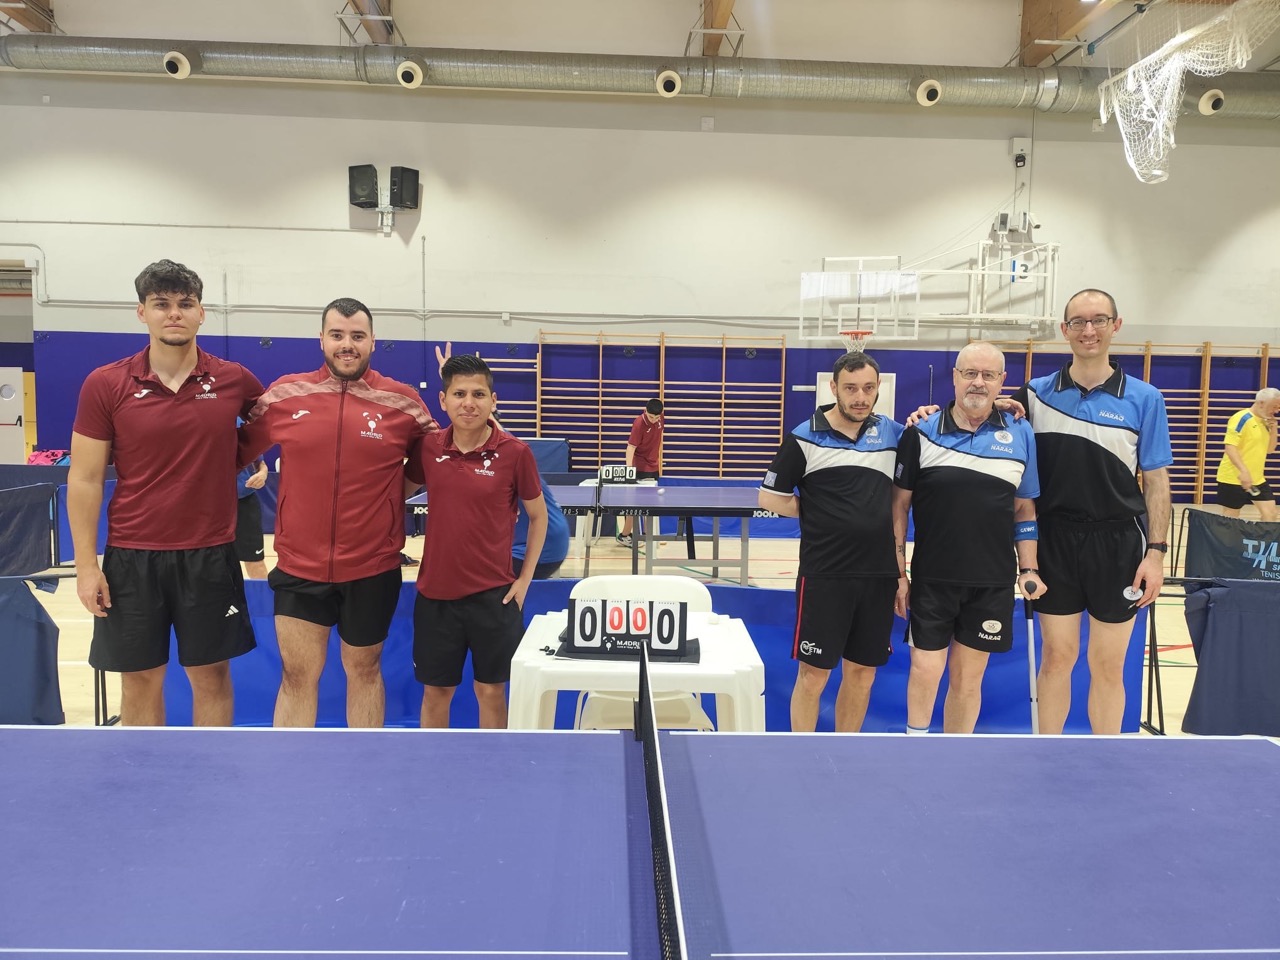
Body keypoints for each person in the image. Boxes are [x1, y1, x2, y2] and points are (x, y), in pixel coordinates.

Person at [68, 259, 261, 726]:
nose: (174, 313)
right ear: (142, 313)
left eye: (185, 303)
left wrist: (239, 457)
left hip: (210, 554)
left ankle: (209, 768)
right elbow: (85, 478)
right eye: (161, 304)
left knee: (211, 676)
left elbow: (272, 424)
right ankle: (144, 770)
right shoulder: (106, 383)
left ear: (201, 313)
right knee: (139, 679)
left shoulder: (233, 378)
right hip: (132, 556)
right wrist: (86, 567)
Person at [239, 297, 437, 728]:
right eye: (337, 335)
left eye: (357, 336)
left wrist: (387, 499)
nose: (347, 344)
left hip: (372, 567)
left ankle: (363, 765)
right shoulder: (286, 393)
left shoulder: (403, 402)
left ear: (373, 342)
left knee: (364, 671)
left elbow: (434, 459)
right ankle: (292, 766)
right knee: (296, 675)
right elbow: (231, 447)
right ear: (322, 340)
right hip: (299, 567)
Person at [1011, 289, 1172, 735]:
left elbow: (1157, 482)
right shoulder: (1035, 395)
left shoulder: (1145, 398)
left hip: (1118, 544)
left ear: (1115, 326)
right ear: (1064, 330)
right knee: (1056, 657)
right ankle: (1047, 755)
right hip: (1054, 542)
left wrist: (1156, 553)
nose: (1089, 330)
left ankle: (1107, 759)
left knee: (1107, 664)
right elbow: (984, 425)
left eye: (1099, 320)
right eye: (1078, 322)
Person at [893, 341, 1043, 734]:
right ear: (955, 377)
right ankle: (915, 746)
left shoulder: (1020, 432)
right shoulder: (921, 431)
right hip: (933, 580)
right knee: (926, 670)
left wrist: (1029, 568)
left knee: (968, 680)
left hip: (991, 582)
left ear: (1002, 381)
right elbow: (898, 508)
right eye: (970, 373)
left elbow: (1024, 509)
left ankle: (955, 756)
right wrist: (899, 573)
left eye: (988, 375)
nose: (978, 382)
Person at [759, 351, 906, 732]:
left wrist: (1003, 405)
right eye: (851, 388)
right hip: (825, 575)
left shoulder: (893, 434)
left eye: (868, 388)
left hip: (877, 576)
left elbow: (938, 432)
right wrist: (817, 512)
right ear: (834, 388)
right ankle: (801, 752)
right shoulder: (804, 436)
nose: (860, 397)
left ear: (878, 388)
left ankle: (846, 750)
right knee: (814, 675)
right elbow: (770, 497)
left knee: (862, 674)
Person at [409, 353, 548, 729]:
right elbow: (394, 493)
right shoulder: (428, 448)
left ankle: (495, 762)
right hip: (436, 598)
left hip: (494, 598)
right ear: (443, 400)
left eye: (478, 394)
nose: (468, 403)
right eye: (459, 394)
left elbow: (539, 517)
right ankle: (433, 760)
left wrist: (525, 580)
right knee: (436, 693)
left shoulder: (515, 453)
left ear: (493, 400)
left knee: (490, 692)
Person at [1214, 387, 1280, 521]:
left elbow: (1270, 449)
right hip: (1233, 478)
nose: (1276, 411)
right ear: (1261, 403)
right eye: (1274, 406)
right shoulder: (1241, 418)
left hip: (1257, 479)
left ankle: (1262, 536)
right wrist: (1243, 471)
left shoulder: (1266, 421)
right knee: (1231, 518)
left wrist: (1274, 429)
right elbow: (1230, 447)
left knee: (1271, 514)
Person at [617, 397, 663, 546]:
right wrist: (629, 471)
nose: (654, 420)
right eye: (651, 417)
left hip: (653, 466)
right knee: (634, 504)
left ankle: (649, 536)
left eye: (656, 417)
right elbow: (631, 447)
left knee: (651, 504)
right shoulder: (639, 423)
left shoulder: (660, 419)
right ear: (645, 411)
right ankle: (624, 535)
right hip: (640, 467)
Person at [235, 457, 269, 580]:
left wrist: (262, 474)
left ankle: (262, 593)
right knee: (213, 566)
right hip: (210, 505)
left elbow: (261, 464)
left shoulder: (245, 440)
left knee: (255, 563)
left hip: (244, 503)